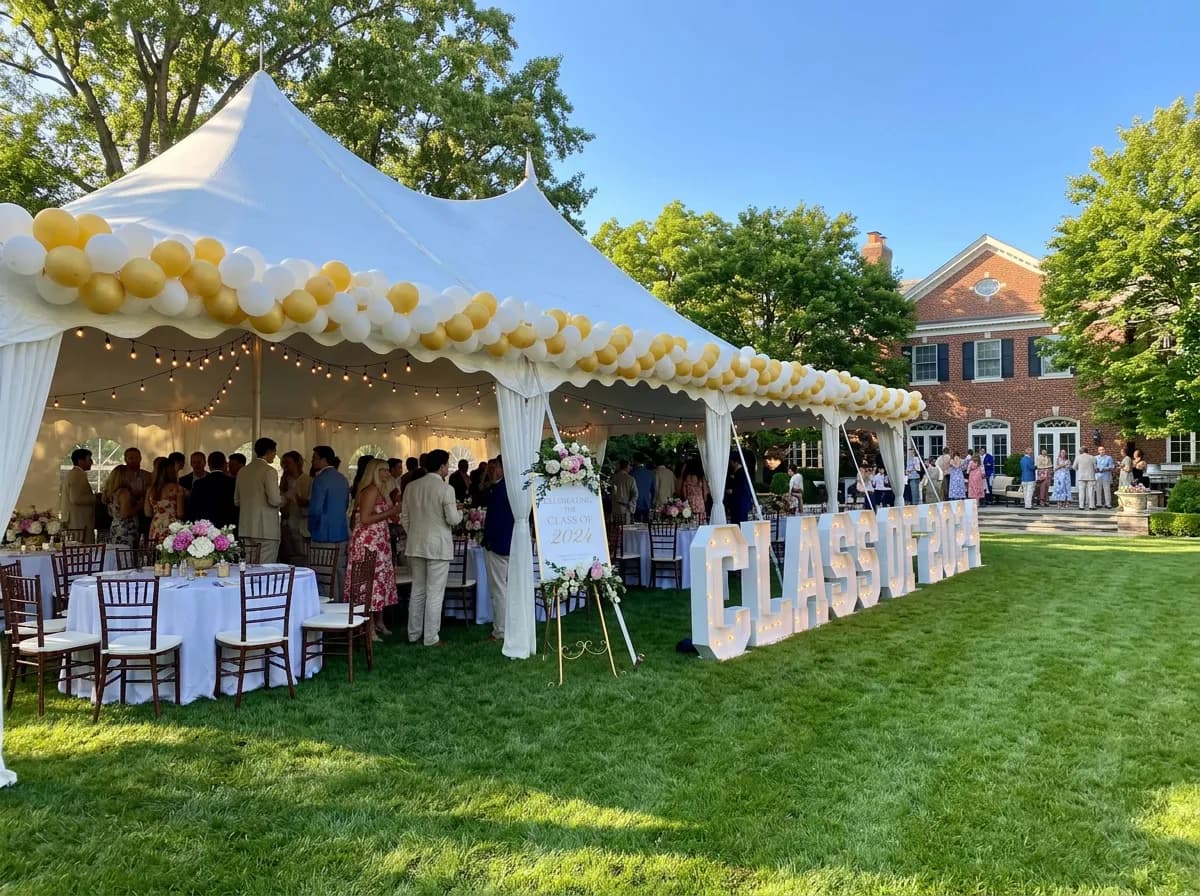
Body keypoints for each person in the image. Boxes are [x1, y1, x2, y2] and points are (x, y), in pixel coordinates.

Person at [401, 449, 461, 647]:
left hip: (415, 544)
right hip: (438, 545)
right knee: (435, 592)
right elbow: (452, 519)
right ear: (442, 466)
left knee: (418, 589)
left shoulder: (411, 486)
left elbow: (404, 518)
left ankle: (413, 634)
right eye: (447, 465)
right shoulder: (446, 489)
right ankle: (431, 637)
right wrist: (460, 515)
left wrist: (414, 533)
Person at [347, 458, 400, 638]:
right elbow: (365, 519)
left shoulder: (382, 491)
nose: (387, 473)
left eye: (387, 470)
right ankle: (368, 627)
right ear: (374, 473)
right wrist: (390, 513)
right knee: (369, 582)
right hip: (369, 542)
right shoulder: (370, 490)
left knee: (380, 580)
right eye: (383, 470)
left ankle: (379, 622)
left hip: (379, 540)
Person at [308, 446, 350, 602]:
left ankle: (327, 607)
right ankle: (340, 605)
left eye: (314, 458)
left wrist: (311, 528)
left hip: (322, 533)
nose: (312, 461)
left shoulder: (320, 480)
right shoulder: (343, 478)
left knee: (322, 574)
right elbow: (346, 504)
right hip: (340, 532)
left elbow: (316, 509)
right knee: (339, 572)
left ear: (323, 459)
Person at [481, 455, 514, 643]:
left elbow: (496, 520)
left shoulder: (501, 489)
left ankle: (500, 630)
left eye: (496, 466)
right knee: (504, 589)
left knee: (498, 590)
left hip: (498, 545)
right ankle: (506, 625)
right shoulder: (512, 487)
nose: (493, 470)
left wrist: (489, 541)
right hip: (509, 544)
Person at [234, 437, 282, 562]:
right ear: (269, 451)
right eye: (274, 452)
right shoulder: (269, 471)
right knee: (265, 568)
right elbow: (274, 500)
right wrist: (285, 499)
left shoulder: (242, 471)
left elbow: (237, 500)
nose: (275, 455)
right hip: (266, 529)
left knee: (248, 567)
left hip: (246, 527)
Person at [104, 447, 152, 541]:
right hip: (126, 523)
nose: (133, 460)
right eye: (130, 458)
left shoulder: (148, 476)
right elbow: (123, 513)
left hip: (144, 517)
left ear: (140, 458)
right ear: (125, 459)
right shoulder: (120, 480)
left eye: (136, 457)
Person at [278, 450, 311, 564]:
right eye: (283, 463)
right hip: (285, 523)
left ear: (298, 463)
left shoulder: (307, 480)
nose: (285, 466)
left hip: (300, 525)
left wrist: (296, 498)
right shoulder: (284, 481)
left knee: (301, 555)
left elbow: (308, 503)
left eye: (288, 463)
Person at [188, 451, 237, 528]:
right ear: (224, 464)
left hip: (206, 526)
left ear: (208, 464)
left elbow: (192, 507)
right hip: (228, 525)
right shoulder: (233, 482)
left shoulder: (199, 483)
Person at [145, 456, 185, 547]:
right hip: (172, 525)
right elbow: (180, 513)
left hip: (156, 525)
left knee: (155, 554)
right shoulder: (177, 489)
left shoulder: (151, 490)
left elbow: (147, 512)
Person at [60, 447, 95, 542]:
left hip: (77, 521)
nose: (92, 462)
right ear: (80, 461)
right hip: (79, 522)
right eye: (89, 459)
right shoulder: (77, 474)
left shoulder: (74, 473)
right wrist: (96, 498)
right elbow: (76, 498)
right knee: (81, 550)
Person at [104, 468, 140, 548]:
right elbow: (124, 513)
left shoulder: (112, 493)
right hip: (126, 530)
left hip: (115, 526)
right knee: (125, 554)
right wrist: (139, 506)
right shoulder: (124, 492)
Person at [726, 454, 753, 524]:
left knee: (740, 520)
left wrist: (733, 491)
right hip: (737, 501)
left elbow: (742, 487)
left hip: (740, 502)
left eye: (731, 462)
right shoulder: (737, 472)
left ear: (736, 462)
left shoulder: (741, 472)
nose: (730, 464)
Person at [611, 460, 637, 524]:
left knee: (616, 530)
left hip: (615, 507)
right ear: (627, 467)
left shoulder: (614, 478)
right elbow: (635, 494)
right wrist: (631, 504)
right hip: (626, 509)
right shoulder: (630, 479)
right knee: (625, 529)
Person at [1073, 445, 1097, 510]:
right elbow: (1095, 468)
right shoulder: (1092, 457)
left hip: (1081, 477)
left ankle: (1081, 506)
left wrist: (1079, 468)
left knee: (1081, 492)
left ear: (1081, 451)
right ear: (1087, 451)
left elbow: (1074, 467)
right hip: (1090, 476)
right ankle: (1092, 506)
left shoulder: (1078, 457)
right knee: (1091, 492)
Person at [632, 457, 655, 522]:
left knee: (636, 524)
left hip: (636, 503)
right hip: (647, 502)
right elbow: (653, 490)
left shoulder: (632, 473)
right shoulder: (650, 473)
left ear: (635, 461)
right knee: (647, 524)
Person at [1094, 445, 1115, 509]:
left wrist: (1105, 468)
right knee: (1098, 490)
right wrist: (1096, 468)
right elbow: (1094, 466)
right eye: (1100, 450)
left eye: (1103, 449)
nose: (1102, 451)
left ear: (1105, 450)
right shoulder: (1095, 458)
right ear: (1098, 451)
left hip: (1106, 475)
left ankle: (1108, 504)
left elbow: (1111, 466)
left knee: (1107, 490)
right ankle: (1098, 503)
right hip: (1098, 476)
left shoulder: (1109, 458)